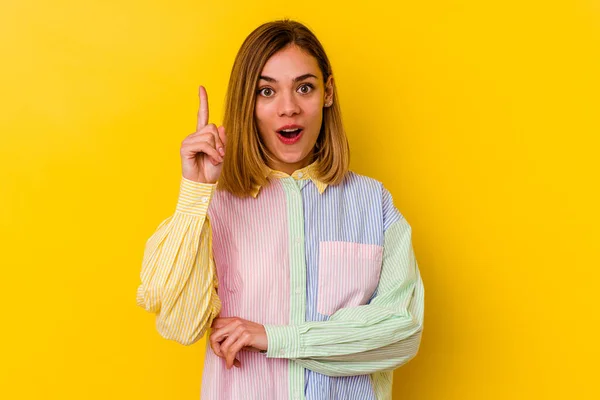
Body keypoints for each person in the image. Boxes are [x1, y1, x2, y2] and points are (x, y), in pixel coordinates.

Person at [136, 18, 425, 400]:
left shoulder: (374, 203)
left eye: (304, 87)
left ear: (328, 92)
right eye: (266, 91)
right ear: (248, 103)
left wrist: (276, 338)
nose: (288, 108)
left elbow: (400, 332)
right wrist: (196, 191)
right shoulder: (217, 205)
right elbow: (178, 321)